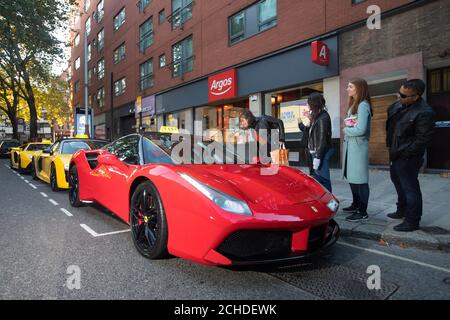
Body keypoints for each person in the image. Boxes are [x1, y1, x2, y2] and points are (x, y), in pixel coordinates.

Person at [385, 79, 435, 232]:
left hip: (408, 157)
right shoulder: (398, 105)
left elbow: (423, 139)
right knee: (397, 183)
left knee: (410, 188)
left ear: (416, 96)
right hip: (395, 153)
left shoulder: (424, 112)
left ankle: (412, 220)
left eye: (404, 95)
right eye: (399, 93)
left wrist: (404, 153)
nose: (399, 97)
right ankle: (401, 210)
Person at [342, 78, 373, 222]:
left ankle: (363, 211)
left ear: (359, 89)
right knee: (352, 178)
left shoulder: (363, 105)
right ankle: (355, 204)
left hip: (358, 148)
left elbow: (361, 129)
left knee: (360, 180)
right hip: (351, 147)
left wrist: (346, 130)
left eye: (350, 86)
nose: (347, 89)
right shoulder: (355, 104)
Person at [298, 93, 333, 192]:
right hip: (316, 151)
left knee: (324, 178)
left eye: (308, 103)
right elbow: (307, 129)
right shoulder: (318, 116)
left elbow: (322, 140)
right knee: (318, 178)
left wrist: (317, 157)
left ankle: (329, 201)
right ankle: (322, 199)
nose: (307, 105)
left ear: (314, 103)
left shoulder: (323, 118)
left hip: (321, 152)